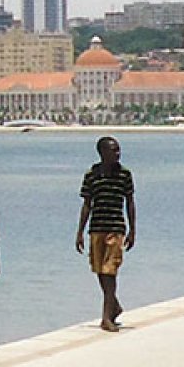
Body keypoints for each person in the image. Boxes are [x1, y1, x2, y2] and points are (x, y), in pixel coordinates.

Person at [75, 136, 136, 331]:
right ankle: (114, 305)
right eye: (113, 150)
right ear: (102, 153)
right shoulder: (91, 174)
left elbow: (130, 202)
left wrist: (132, 230)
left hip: (116, 228)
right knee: (100, 270)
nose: (117, 154)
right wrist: (79, 232)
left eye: (118, 150)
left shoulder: (124, 174)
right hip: (96, 227)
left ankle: (106, 317)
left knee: (111, 271)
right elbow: (87, 204)